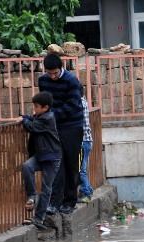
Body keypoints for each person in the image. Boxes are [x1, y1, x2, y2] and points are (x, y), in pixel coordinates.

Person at [38, 53, 85, 215]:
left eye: (55, 73)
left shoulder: (71, 81)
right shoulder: (43, 81)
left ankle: (70, 200)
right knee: (57, 165)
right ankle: (55, 202)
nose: (53, 77)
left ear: (61, 68)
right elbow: (45, 103)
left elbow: (73, 106)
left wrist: (51, 115)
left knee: (71, 164)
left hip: (72, 126)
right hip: (54, 128)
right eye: (49, 73)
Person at [21, 92, 62, 230]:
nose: (34, 109)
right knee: (27, 166)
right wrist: (24, 117)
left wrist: (24, 121)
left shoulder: (48, 118)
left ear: (45, 107)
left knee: (46, 189)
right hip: (41, 156)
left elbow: (32, 126)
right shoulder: (41, 116)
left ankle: (39, 218)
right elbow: (32, 119)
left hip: (51, 158)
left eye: (36, 106)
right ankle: (32, 195)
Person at [79, 97, 94, 203]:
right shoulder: (84, 101)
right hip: (87, 141)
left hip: (82, 142)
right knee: (82, 169)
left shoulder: (78, 103)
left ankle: (86, 192)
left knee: (80, 170)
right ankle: (88, 189)